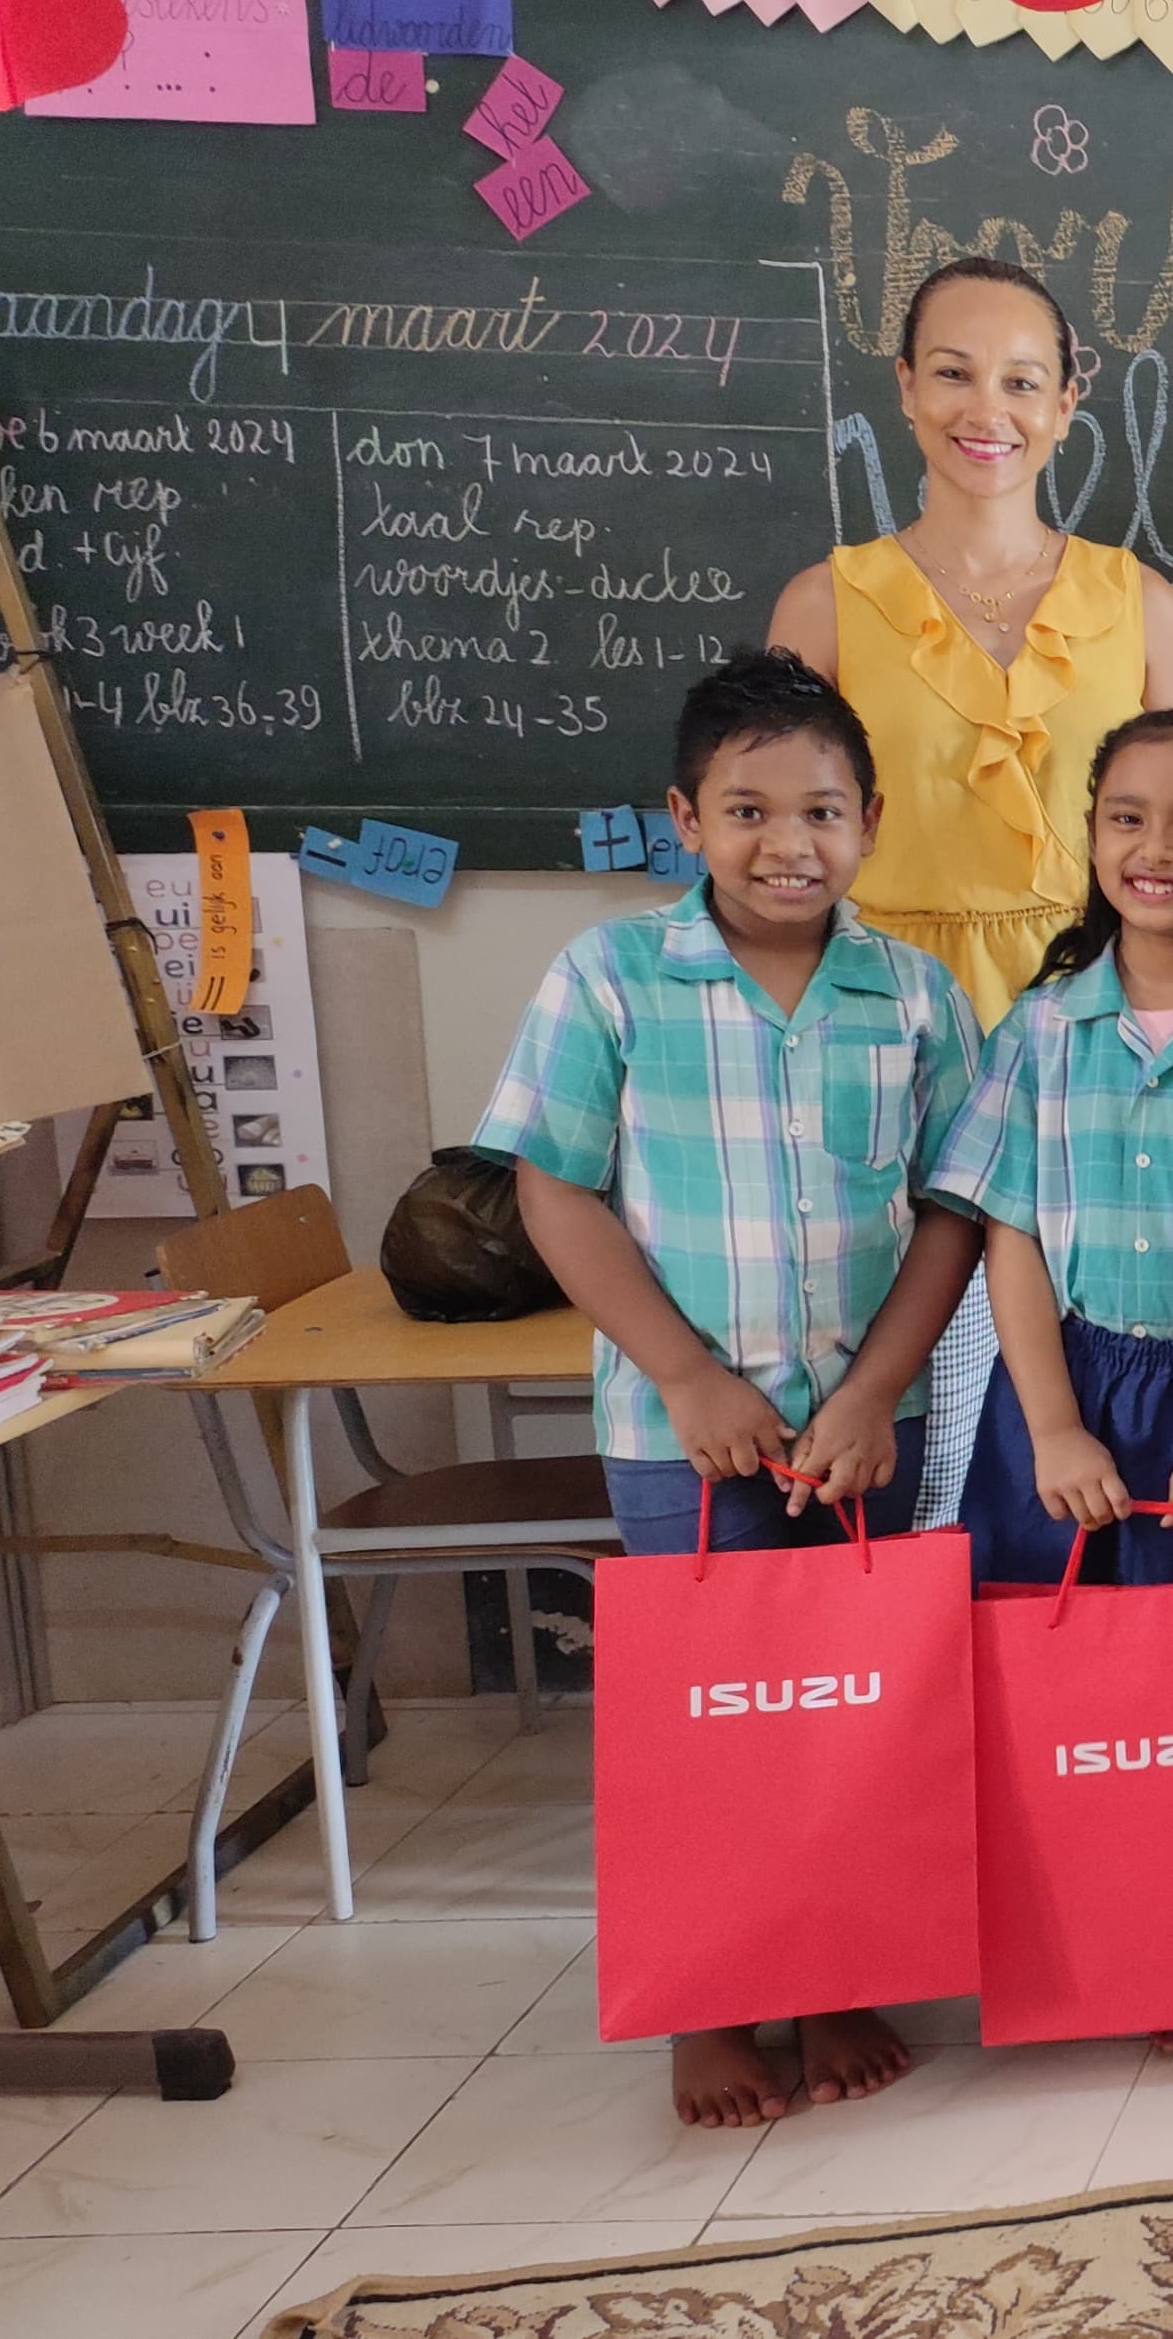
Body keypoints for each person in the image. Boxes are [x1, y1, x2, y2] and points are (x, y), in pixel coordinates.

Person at [477, 649, 985, 2129]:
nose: (787, 844)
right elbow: (555, 1189)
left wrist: (875, 1393)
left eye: (821, 811)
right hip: (679, 1432)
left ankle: (834, 1977)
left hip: (866, 1428)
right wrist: (688, 1378)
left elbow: (952, 1209)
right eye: (748, 811)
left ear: (871, 821)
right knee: (710, 1726)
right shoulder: (611, 976)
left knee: (851, 1716)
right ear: (685, 819)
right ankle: (710, 2006)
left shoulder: (913, 995)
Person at [769, 254, 1173, 1529]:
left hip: (1099, 1026)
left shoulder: (1138, 604)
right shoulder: (827, 603)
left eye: (1021, 381)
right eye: (954, 374)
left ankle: (1054, 1634)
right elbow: (778, 855)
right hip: (879, 1023)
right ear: (904, 387)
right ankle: (901, 1627)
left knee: (1087, 1383)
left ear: (1069, 400)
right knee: (891, 1388)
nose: (987, 410)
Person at [933, 711, 1173, 1598]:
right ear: (1094, 834)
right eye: (1127, 818)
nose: (1155, 849)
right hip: (1056, 1384)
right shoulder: (1040, 1028)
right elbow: (1010, 1238)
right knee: (1040, 1638)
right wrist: (1053, 1430)